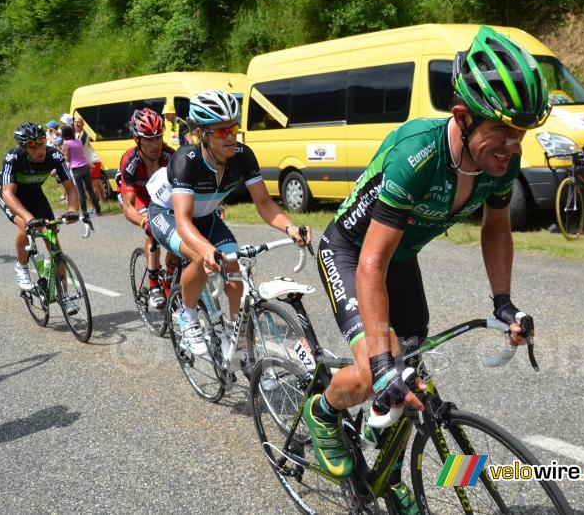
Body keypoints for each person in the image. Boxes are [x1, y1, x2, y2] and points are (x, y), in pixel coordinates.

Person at [304, 26, 552, 503]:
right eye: (501, 130)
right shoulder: (417, 155)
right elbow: (371, 260)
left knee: (408, 380)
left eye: (520, 132)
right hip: (353, 253)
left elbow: (496, 226)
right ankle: (324, 411)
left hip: (399, 259)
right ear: (462, 116)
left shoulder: (501, 163)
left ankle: (385, 475)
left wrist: (503, 302)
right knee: (381, 364)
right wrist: (379, 361)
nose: (512, 145)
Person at [146, 89, 311, 357]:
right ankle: (186, 316)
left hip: (206, 217)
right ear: (203, 134)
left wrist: (290, 228)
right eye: (222, 132)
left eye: (234, 128)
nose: (231, 137)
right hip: (168, 215)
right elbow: (183, 219)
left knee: (234, 273)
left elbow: (265, 204)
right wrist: (207, 250)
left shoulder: (243, 156)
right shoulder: (185, 161)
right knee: (199, 257)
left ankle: (242, 345)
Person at [0, 122, 80, 305]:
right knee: (26, 226)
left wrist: (73, 210)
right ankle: (22, 266)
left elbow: (71, 189)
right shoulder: (13, 157)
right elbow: (8, 194)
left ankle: (64, 296)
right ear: (23, 148)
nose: (39, 150)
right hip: (12, 195)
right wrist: (30, 218)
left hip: (35, 194)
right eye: (32, 147)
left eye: (41, 143)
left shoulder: (55, 155)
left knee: (52, 239)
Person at [118, 108, 176, 309]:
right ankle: (153, 286)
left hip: (162, 196)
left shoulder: (170, 156)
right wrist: (144, 221)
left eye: (158, 137)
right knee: (153, 229)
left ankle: (169, 275)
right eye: (149, 140)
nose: (155, 144)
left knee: (180, 234)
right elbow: (128, 206)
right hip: (140, 197)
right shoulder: (130, 161)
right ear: (137, 140)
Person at [61, 125, 102, 217]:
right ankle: (98, 210)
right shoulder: (78, 141)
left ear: (64, 134)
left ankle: (84, 212)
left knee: (81, 191)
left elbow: (67, 158)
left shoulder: (66, 143)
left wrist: (61, 154)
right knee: (90, 190)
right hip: (85, 165)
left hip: (76, 168)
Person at [74, 115, 106, 203]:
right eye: (75, 122)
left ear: (82, 124)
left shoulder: (84, 134)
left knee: (91, 185)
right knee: (97, 183)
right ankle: (102, 202)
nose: (76, 123)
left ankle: (94, 206)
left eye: (78, 122)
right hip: (90, 160)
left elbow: (79, 147)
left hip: (92, 161)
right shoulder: (75, 134)